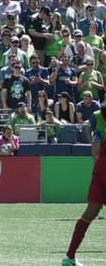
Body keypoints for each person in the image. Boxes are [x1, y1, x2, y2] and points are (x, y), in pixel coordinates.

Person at [63, 103, 106, 265]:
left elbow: (95, 148)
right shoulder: (98, 120)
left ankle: (69, 257)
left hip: (99, 168)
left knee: (90, 213)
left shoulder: (99, 122)